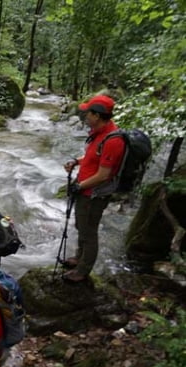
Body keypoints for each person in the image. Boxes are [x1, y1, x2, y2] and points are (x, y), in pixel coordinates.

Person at [62, 94, 125, 282]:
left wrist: (79, 186)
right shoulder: (99, 134)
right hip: (85, 191)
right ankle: (78, 257)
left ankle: (82, 270)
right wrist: (76, 162)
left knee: (89, 231)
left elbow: (103, 175)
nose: (85, 115)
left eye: (87, 112)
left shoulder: (113, 140)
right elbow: (92, 158)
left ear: (97, 116)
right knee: (82, 226)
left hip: (94, 194)